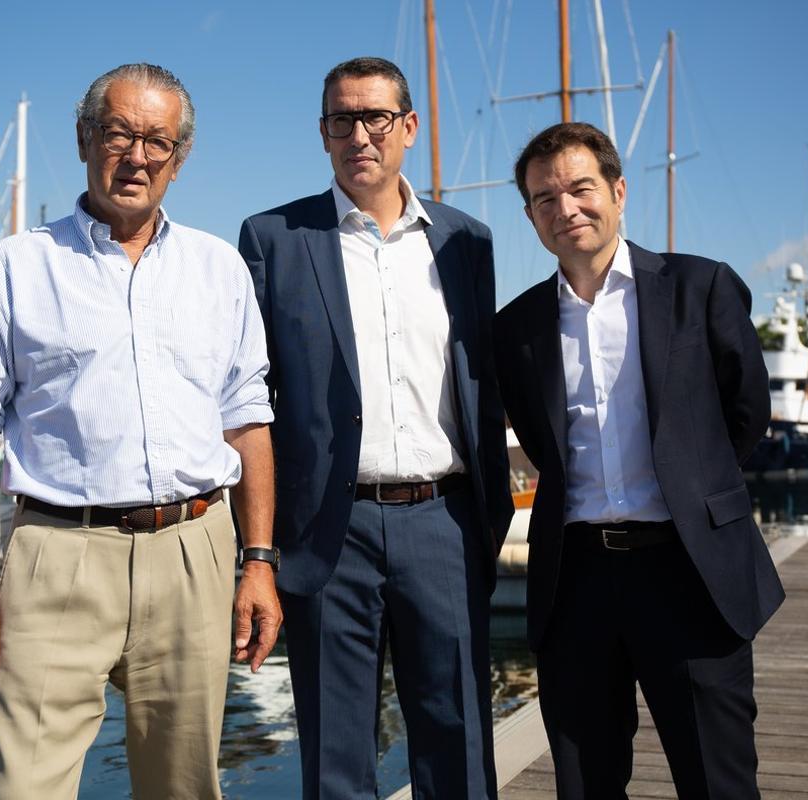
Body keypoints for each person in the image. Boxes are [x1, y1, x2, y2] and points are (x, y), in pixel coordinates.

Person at [0, 63, 281, 800]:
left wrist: (258, 562)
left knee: (182, 788)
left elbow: (248, 421)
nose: (137, 155)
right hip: (57, 555)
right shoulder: (14, 268)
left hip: (195, 551)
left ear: (179, 160)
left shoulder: (220, 270)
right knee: (25, 787)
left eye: (157, 140)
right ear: (86, 138)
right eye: (119, 132)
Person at [238, 57, 514, 799]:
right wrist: (259, 548)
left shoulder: (467, 242)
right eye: (342, 120)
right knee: (335, 761)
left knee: (457, 747)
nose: (359, 135)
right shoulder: (272, 238)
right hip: (330, 532)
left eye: (375, 118)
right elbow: (250, 400)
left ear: (408, 128)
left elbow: (482, 388)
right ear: (323, 133)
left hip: (445, 523)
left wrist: (486, 520)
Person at [493, 121, 784, 799]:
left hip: (690, 572)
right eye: (543, 198)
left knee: (718, 782)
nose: (565, 208)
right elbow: (541, 445)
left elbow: (748, 413)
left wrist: (693, 488)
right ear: (531, 216)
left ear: (618, 191)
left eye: (579, 188)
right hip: (577, 581)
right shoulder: (518, 328)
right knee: (587, 784)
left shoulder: (700, 288)